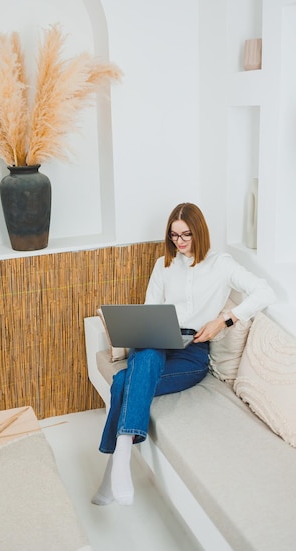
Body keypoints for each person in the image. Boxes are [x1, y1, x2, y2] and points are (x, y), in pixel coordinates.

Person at [92, 202, 276, 506]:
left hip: (192, 353)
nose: (179, 242)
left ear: (199, 232)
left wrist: (223, 321)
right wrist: (156, 332)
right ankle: (123, 456)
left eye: (186, 235)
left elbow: (264, 292)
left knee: (124, 380)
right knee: (148, 353)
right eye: (174, 235)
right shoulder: (163, 265)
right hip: (156, 341)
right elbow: (152, 313)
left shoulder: (222, 265)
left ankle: (112, 469)